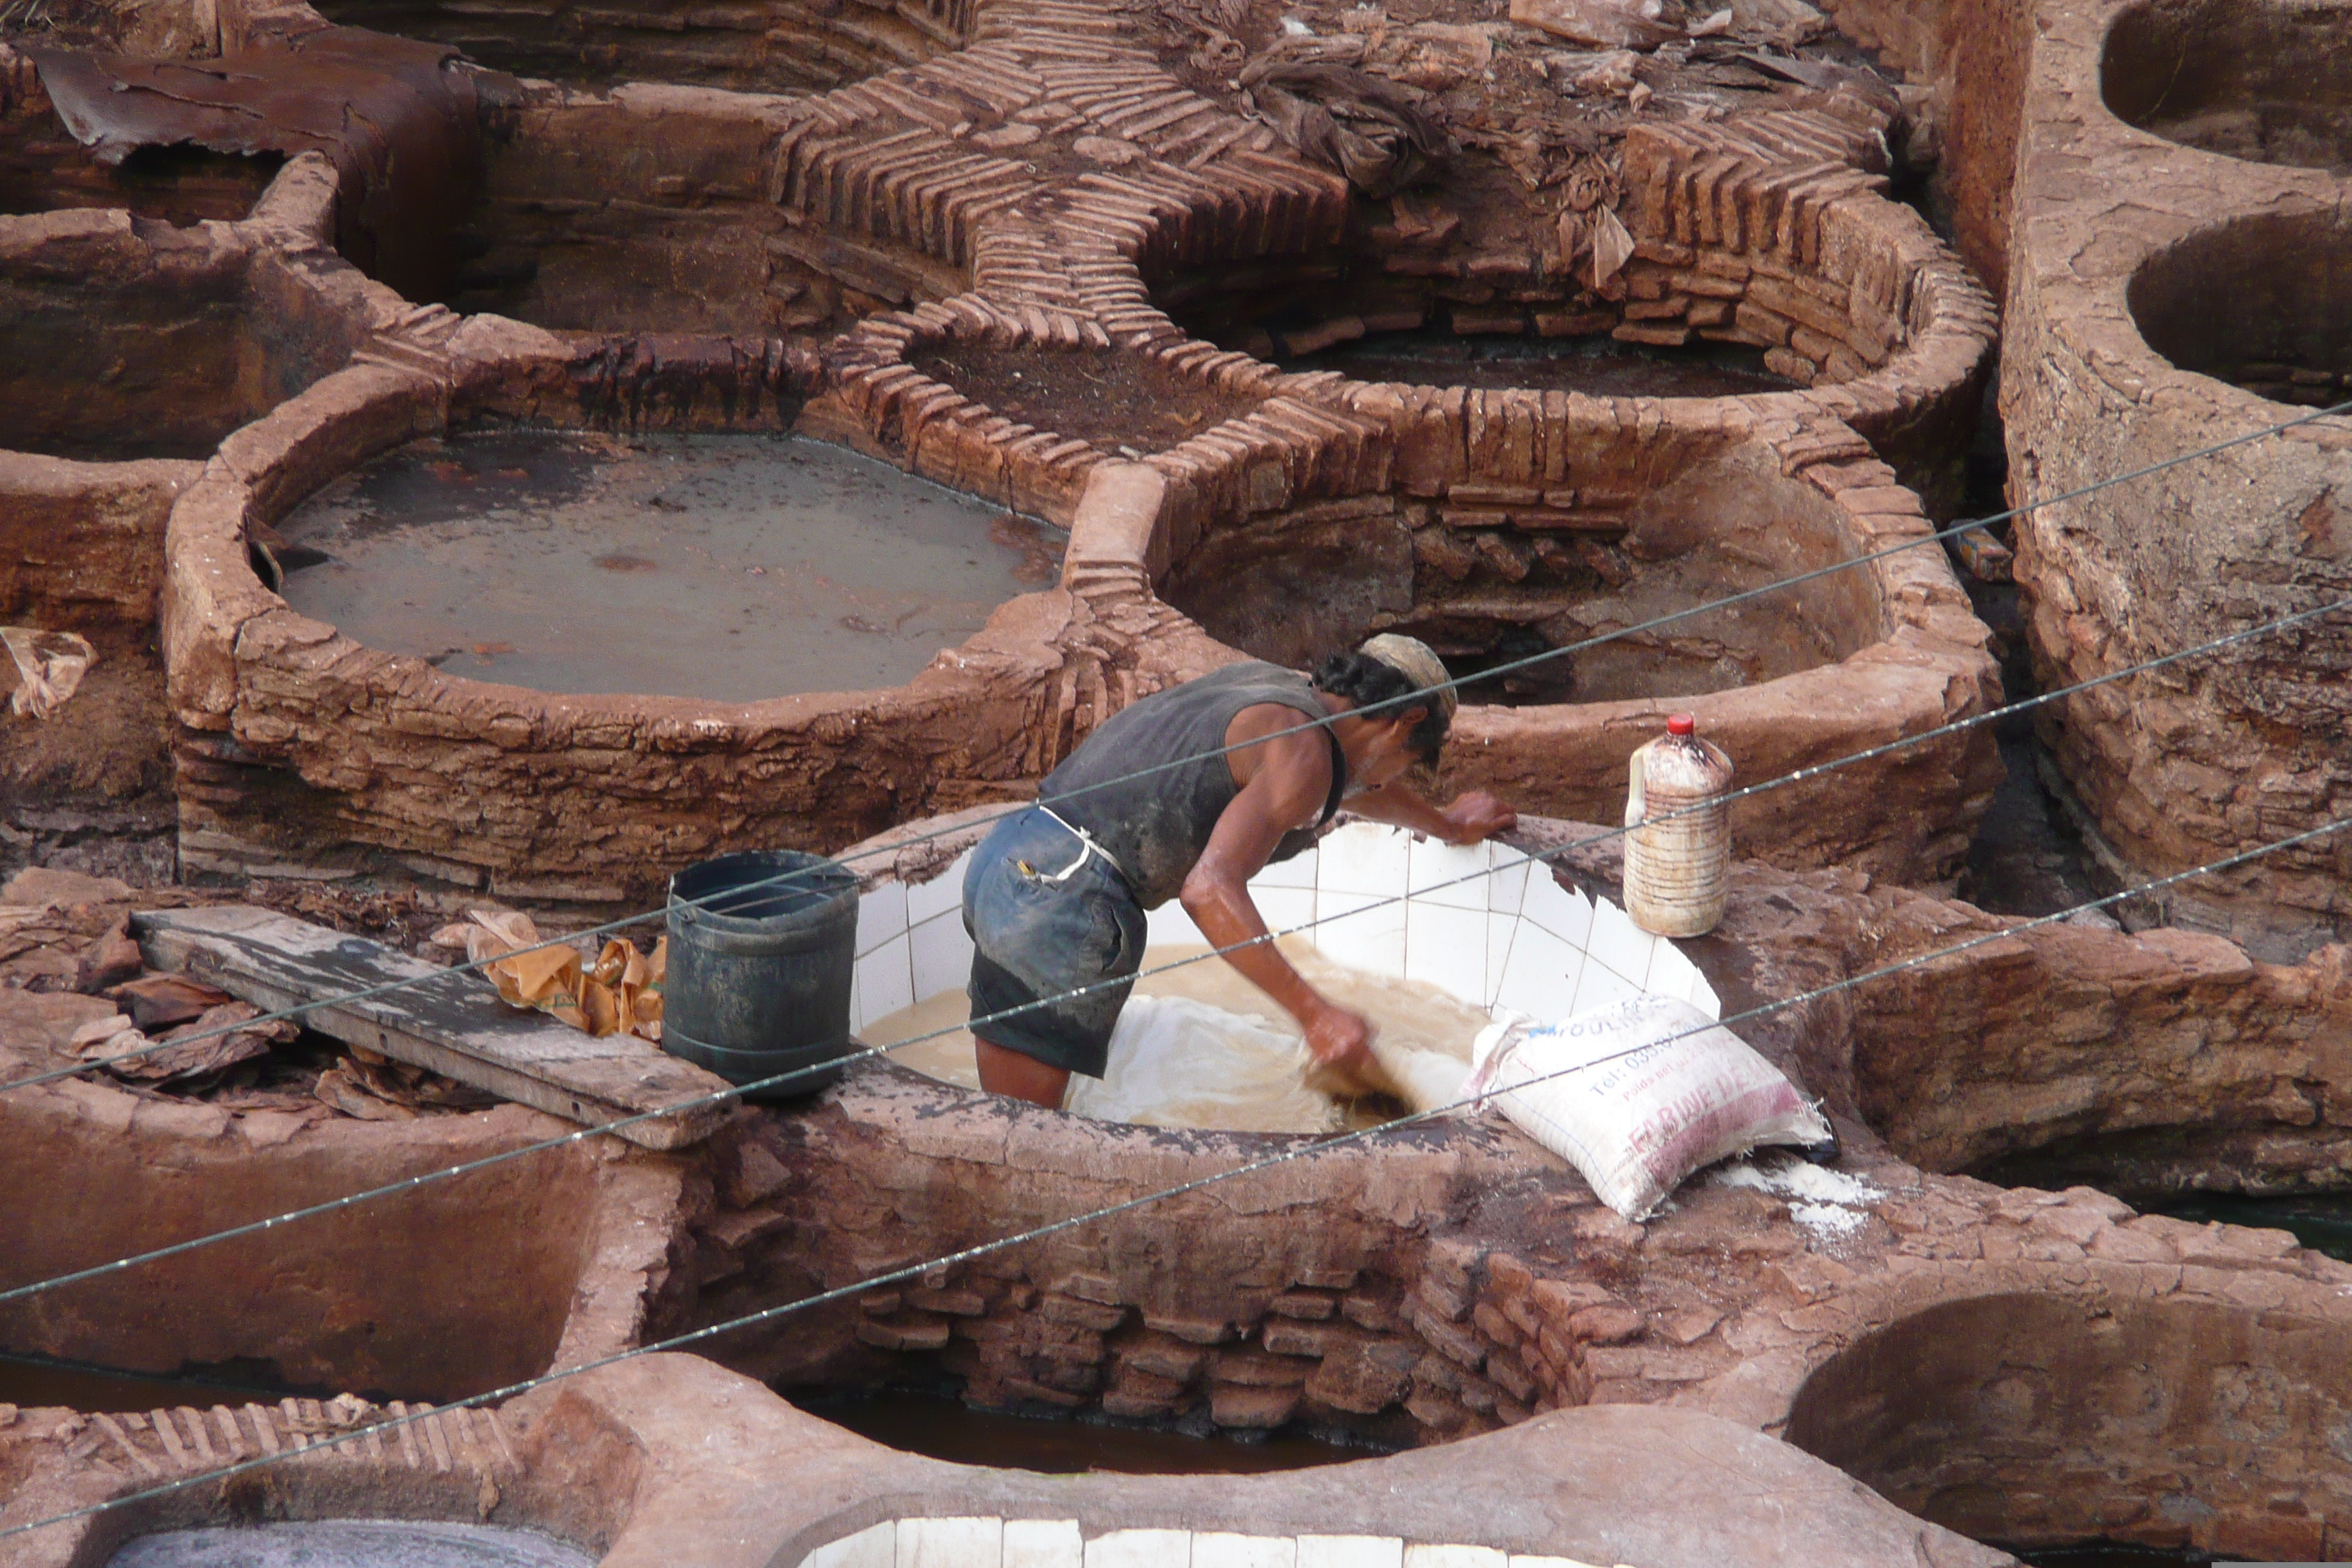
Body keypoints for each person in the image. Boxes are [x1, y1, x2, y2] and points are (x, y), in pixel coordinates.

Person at [960, 633, 1517, 1108]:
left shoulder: (1280, 697)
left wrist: (1446, 825)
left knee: (1006, 1121)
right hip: (1066, 907)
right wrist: (1315, 1015)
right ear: (1404, 723)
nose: (1389, 778)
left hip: (1013, 863)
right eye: (1409, 762)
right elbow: (1207, 891)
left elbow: (1354, 783)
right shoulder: (1305, 752)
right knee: (1023, 1144)